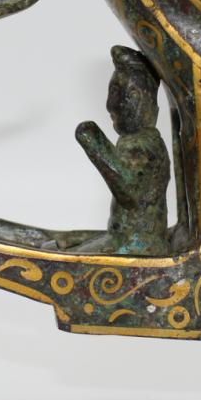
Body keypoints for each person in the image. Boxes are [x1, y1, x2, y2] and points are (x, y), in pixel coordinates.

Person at [70, 46, 170, 255]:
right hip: (126, 238)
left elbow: (129, 191)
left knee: (75, 256)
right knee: (72, 246)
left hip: (139, 245)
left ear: (135, 99)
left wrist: (94, 142)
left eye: (114, 95)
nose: (110, 106)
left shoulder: (144, 145)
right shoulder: (136, 141)